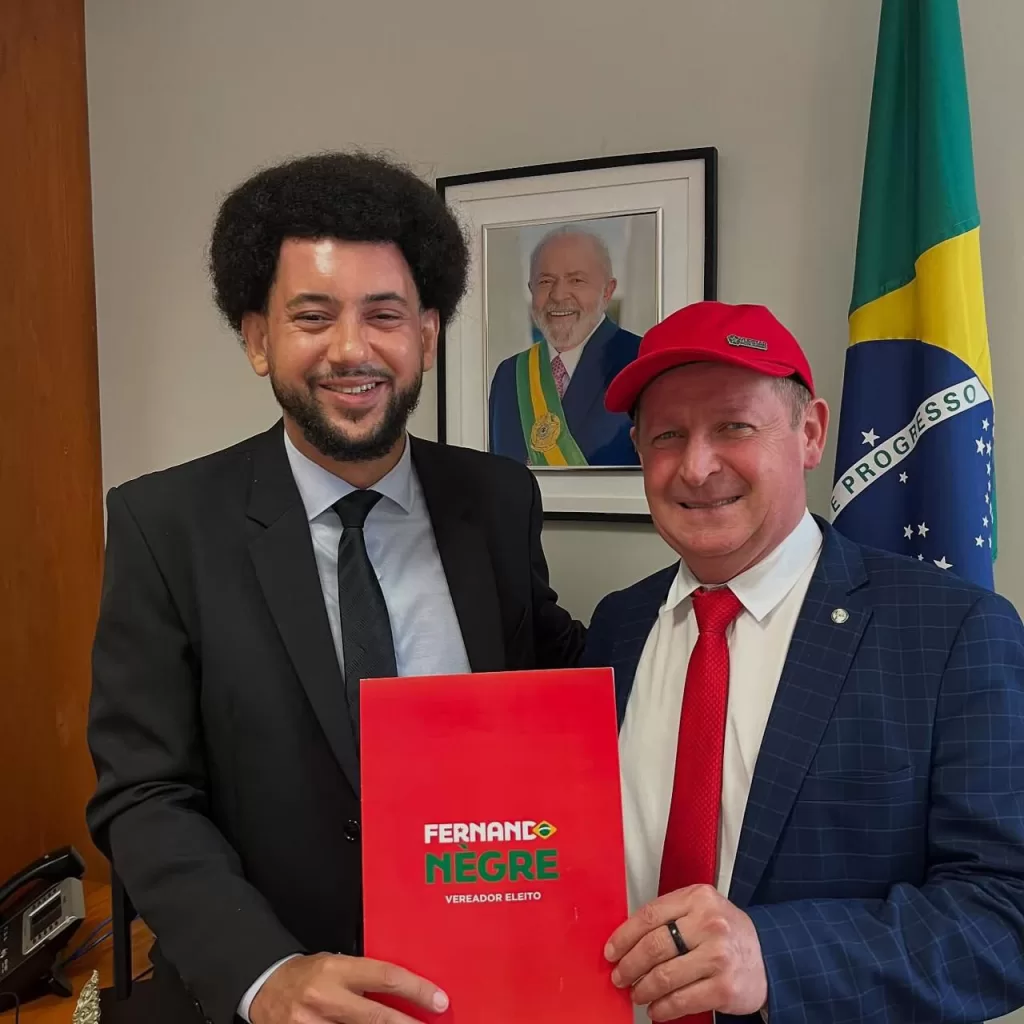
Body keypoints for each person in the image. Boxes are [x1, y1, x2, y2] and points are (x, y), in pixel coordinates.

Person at [85, 152, 586, 1024]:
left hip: (476, 980)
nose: (352, 349)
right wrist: (262, 973)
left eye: (384, 315)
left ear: (427, 334)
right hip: (264, 995)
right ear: (257, 338)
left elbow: (555, 688)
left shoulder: (499, 501)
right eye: (312, 316)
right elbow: (144, 793)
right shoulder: (164, 525)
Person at [584, 300, 1024, 1022]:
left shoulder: (954, 632)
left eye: (734, 426)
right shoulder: (617, 626)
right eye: (668, 435)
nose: (697, 466)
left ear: (811, 433)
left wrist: (775, 957)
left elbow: (1006, 913)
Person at [488, 226, 641, 467]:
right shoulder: (509, 374)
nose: (558, 295)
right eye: (545, 281)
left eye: (576, 280)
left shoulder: (640, 362)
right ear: (531, 290)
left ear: (608, 291)